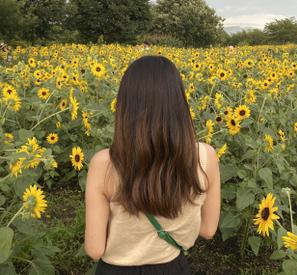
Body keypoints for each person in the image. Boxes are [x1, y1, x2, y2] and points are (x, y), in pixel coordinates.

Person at [84, 55, 221, 275]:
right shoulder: (206, 157)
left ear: (125, 105)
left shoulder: (105, 164)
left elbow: (94, 249)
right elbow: (207, 229)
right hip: (174, 267)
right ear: (178, 102)